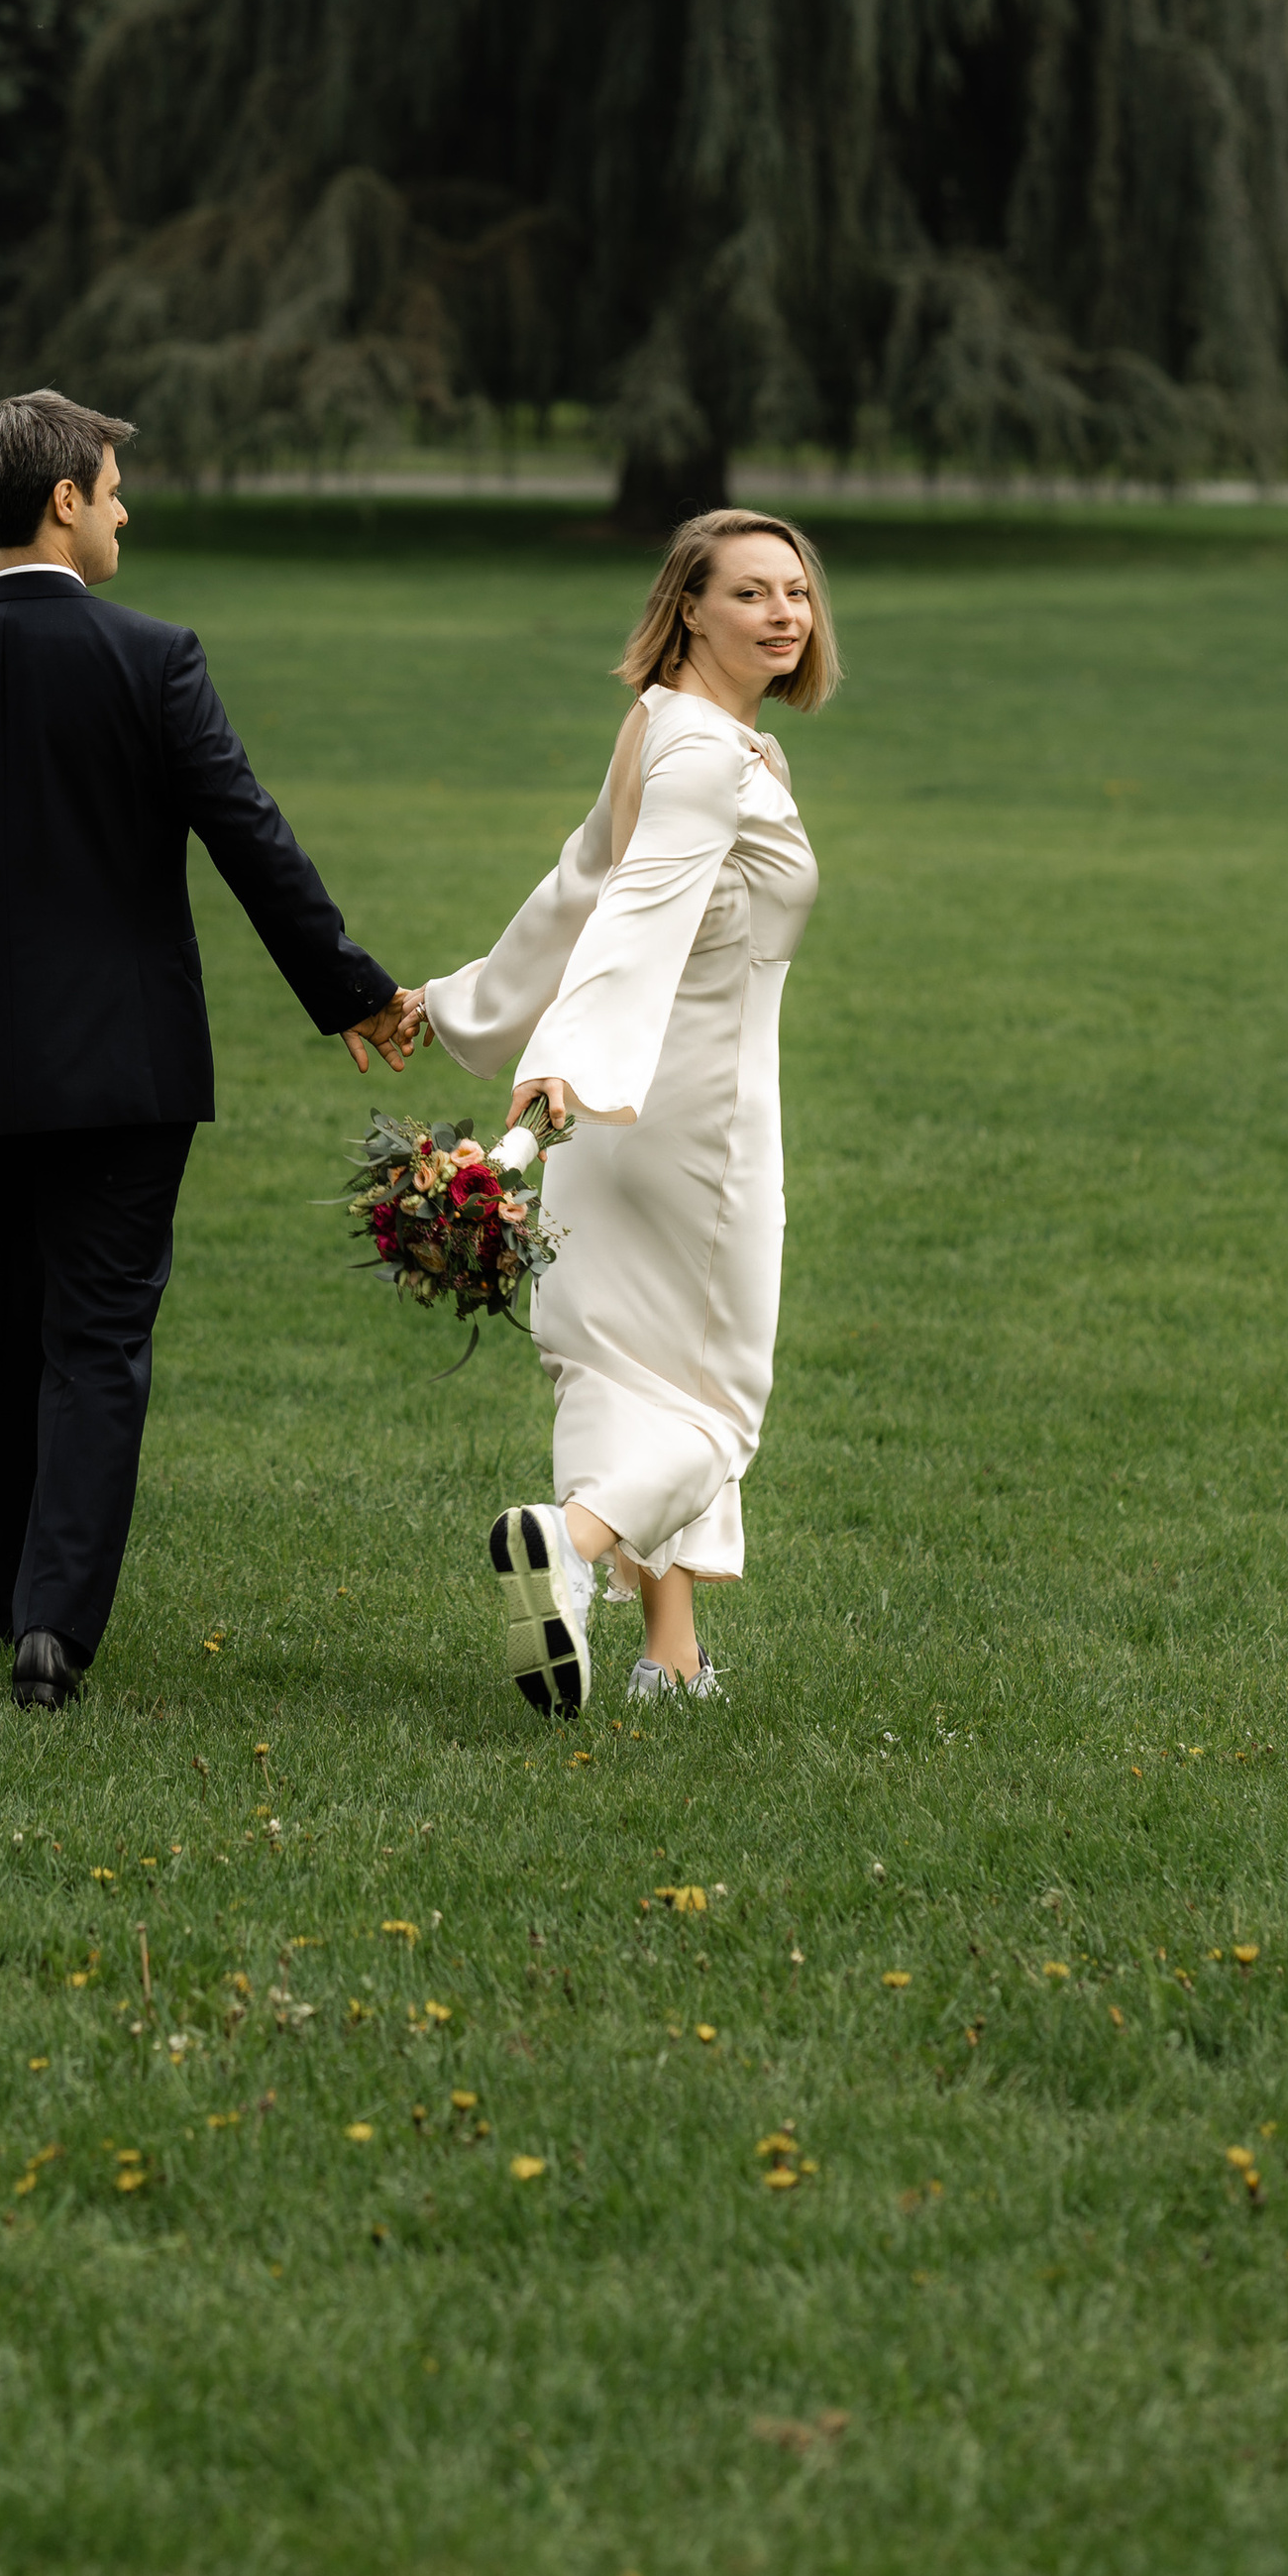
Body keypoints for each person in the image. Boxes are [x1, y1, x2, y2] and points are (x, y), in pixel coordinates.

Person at [0, 389, 420, 1713]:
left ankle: (6, 1598)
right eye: (110, 490)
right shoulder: (152, 658)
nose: (123, 510)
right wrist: (351, 991)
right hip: (124, 1073)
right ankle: (55, 1625)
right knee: (98, 1341)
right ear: (62, 502)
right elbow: (248, 836)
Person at [419, 513, 834, 1712]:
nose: (781, 614)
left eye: (795, 593)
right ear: (688, 607)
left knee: (625, 1369)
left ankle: (670, 1656)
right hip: (692, 1119)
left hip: (605, 1122)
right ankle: (574, 1540)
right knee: (716, 1408)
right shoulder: (709, 756)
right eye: (749, 592)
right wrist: (566, 1059)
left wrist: (460, 1010)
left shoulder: (663, 729)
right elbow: (631, 914)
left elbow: (574, 892)